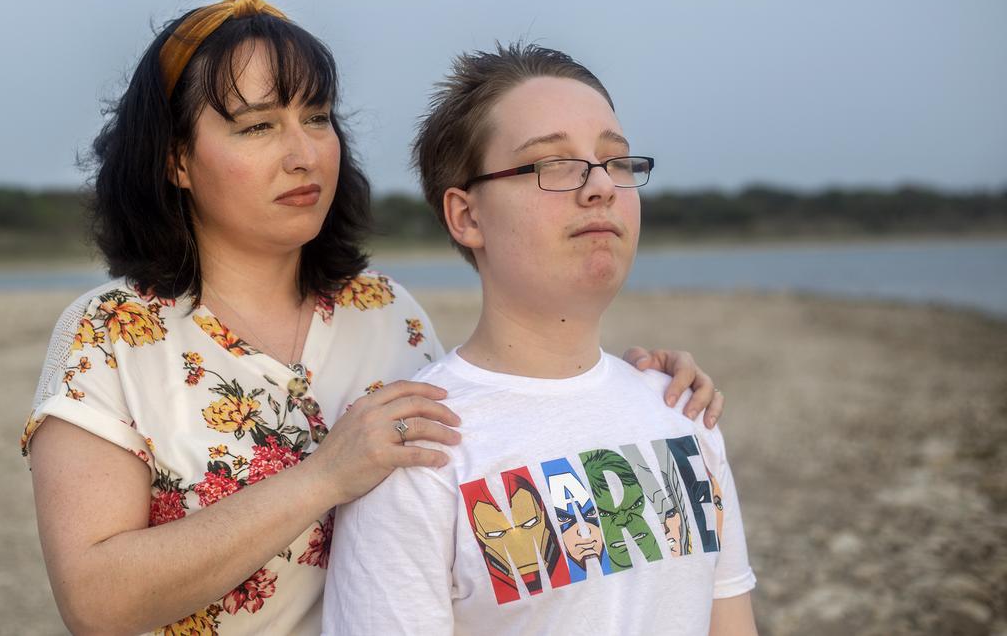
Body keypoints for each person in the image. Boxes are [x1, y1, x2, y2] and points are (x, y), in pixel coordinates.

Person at [21, 0, 726, 635]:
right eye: (259, 126)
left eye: (318, 118)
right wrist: (322, 478)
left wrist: (631, 395)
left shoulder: (386, 312)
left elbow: (486, 437)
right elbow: (95, 600)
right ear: (177, 160)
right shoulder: (112, 335)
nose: (303, 154)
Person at [323, 43, 758, 634]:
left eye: (616, 161)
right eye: (552, 165)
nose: (600, 187)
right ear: (467, 216)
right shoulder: (417, 449)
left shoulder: (682, 412)